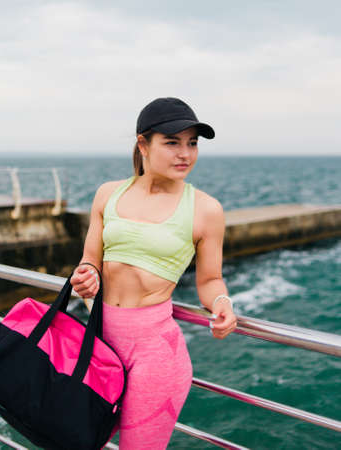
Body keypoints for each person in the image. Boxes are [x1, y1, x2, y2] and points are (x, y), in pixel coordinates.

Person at [70, 97, 237, 449]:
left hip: (156, 356)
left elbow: (208, 279)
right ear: (143, 144)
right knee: (79, 440)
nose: (185, 154)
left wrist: (222, 303)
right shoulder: (108, 195)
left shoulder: (206, 209)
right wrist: (86, 275)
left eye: (192, 143)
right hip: (98, 343)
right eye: (172, 142)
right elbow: (89, 260)